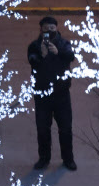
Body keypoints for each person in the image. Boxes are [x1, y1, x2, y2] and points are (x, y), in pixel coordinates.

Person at [28, 15, 76, 170]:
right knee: (42, 128)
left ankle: (68, 158)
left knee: (66, 128)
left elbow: (70, 56)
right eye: (46, 29)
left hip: (61, 93)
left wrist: (58, 52)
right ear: (41, 30)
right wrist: (41, 55)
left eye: (52, 29)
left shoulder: (64, 44)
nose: (49, 32)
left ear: (57, 29)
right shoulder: (34, 46)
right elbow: (32, 60)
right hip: (42, 94)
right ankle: (44, 158)